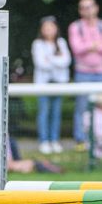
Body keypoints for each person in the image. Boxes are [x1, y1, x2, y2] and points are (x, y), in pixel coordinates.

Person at [68, 0, 102, 147]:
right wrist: (95, 45)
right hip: (83, 73)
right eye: (83, 7)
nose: (87, 10)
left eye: (90, 6)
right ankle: (81, 139)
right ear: (80, 11)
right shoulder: (75, 27)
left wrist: (88, 46)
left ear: (96, 8)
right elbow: (76, 49)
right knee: (82, 107)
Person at [31, 16, 71, 154]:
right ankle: (44, 141)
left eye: (51, 27)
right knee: (44, 112)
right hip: (44, 84)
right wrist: (56, 60)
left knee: (56, 112)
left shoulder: (61, 42)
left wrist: (50, 59)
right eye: (45, 28)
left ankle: (54, 140)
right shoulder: (37, 44)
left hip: (58, 83)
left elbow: (66, 61)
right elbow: (41, 64)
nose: (48, 30)